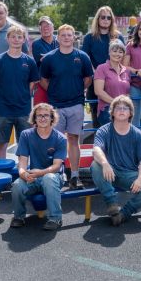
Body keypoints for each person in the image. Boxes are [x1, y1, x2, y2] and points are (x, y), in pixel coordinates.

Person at [90, 95, 141, 226]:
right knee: (95, 165)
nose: (122, 110)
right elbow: (96, 150)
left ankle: (124, 214)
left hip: (129, 174)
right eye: (118, 108)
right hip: (109, 173)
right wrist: (105, 163)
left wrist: (140, 178)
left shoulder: (138, 134)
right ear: (112, 112)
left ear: (130, 113)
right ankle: (112, 205)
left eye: (125, 108)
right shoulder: (103, 130)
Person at [40, 24, 94, 190]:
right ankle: (56, 174)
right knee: (55, 140)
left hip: (76, 104)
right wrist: (55, 93)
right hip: (55, 106)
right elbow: (43, 80)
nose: (66, 37)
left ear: (74, 37)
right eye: (63, 35)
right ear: (58, 38)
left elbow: (88, 78)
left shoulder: (82, 56)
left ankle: (74, 175)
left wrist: (77, 92)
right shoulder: (49, 58)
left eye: (69, 35)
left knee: (73, 139)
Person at [10, 103, 67, 231]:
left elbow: (57, 166)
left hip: (53, 177)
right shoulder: (26, 135)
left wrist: (39, 173)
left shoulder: (60, 138)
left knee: (49, 178)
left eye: (46, 115)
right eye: (39, 115)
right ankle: (18, 217)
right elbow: (22, 163)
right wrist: (23, 174)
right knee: (17, 184)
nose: (42, 118)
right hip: (33, 176)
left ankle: (55, 218)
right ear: (34, 118)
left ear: (52, 118)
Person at [0, 25, 39, 158]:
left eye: (19, 37)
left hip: (24, 110)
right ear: (7, 39)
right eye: (13, 37)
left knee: (24, 143)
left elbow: (32, 82)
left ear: (24, 40)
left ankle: (22, 172)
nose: (16, 40)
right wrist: (0, 96)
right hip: (4, 110)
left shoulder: (29, 61)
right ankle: (1, 174)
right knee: (1, 144)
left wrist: (23, 95)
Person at [81, 6, 125, 129]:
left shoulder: (118, 37)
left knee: (118, 114)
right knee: (97, 117)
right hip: (96, 81)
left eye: (108, 17)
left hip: (115, 81)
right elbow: (85, 58)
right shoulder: (90, 37)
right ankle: (99, 145)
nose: (106, 20)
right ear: (98, 19)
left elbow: (124, 58)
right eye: (103, 17)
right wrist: (95, 72)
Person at [94, 40, 131, 126]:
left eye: (120, 52)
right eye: (114, 51)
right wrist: (116, 103)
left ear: (123, 54)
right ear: (109, 52)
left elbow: (127, 92)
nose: (117, 54)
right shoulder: (101, 68)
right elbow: (98, 91)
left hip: (123, 109)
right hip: (107, 109)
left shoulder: (126, 71)